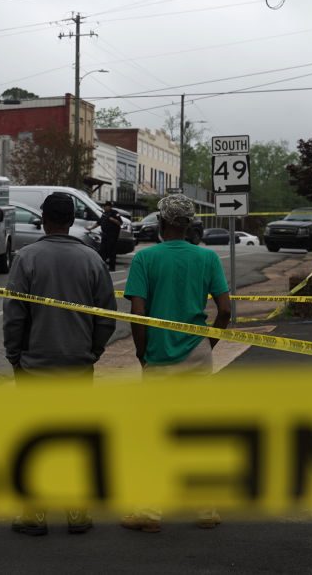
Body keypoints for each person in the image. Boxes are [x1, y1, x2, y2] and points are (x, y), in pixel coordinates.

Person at [3, 193, 117, 536]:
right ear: (71, 219)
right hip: (77, 364)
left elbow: (14, 316)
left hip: (35, 364)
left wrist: (14, 357)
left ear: (43, 218)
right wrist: (92, 352)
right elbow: (107, 317)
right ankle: (77, 512)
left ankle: (35, 514)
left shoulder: (26, 258)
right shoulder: (92, 260)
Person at [121, 193, 232, 533]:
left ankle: (150, 512)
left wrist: (143, 354)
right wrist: (206, 343)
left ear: (162, 223)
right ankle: (206, 508)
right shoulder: (207, 258)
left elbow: (138, 314)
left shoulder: (146, 259)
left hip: (158, 356)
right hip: (197, 355)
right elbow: (225, 310)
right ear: (188, 225)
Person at [89, 200, 123, 271]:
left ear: (109, 206)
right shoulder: (104, 213)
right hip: (105, 235)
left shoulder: (115, 213)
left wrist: (112, 219)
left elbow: (120, 223)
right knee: (102, 250)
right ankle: (101, 266)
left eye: (106, 206)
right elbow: (99, 222)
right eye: (104, 206)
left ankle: (112, 267)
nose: (104, 208)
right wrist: (90, 228)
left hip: (112, 236)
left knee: (112, 251)